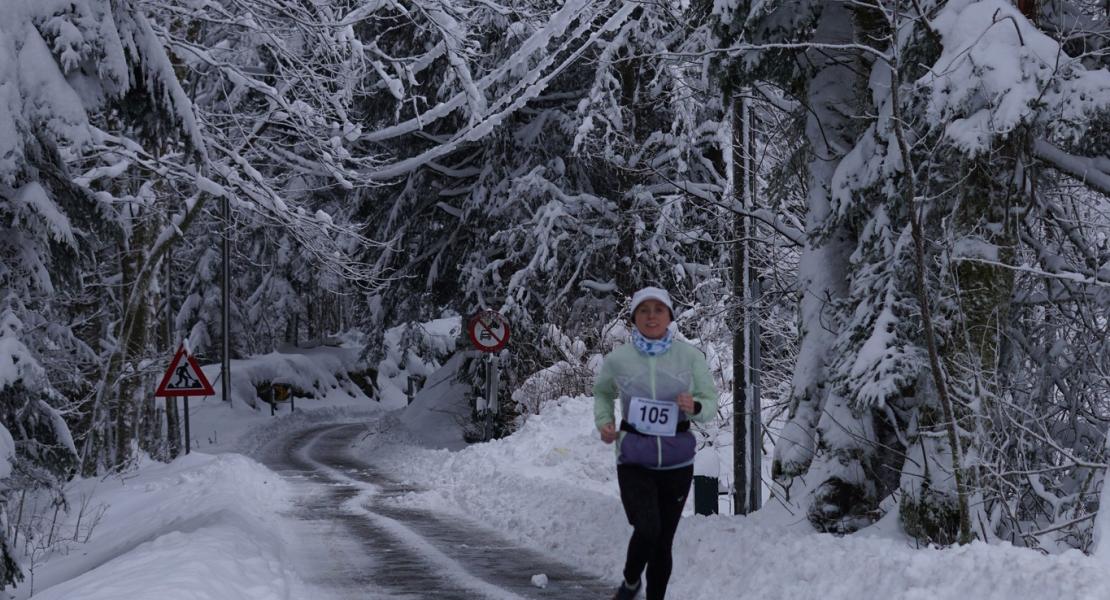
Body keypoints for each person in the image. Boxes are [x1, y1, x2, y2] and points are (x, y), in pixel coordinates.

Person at [594, 286, 718, 600]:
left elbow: (709, 401)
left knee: (663, 541)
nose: (651, 316)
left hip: (677, 460)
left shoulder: (689, 356)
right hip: (634, 457)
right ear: (634, 317)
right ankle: (631, 581)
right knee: (648, 527)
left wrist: (695, 406)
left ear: (669, 316)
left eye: (658, 310)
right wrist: (605, 422)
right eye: (644, 310)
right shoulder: (619, 359)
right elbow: (603, 392)